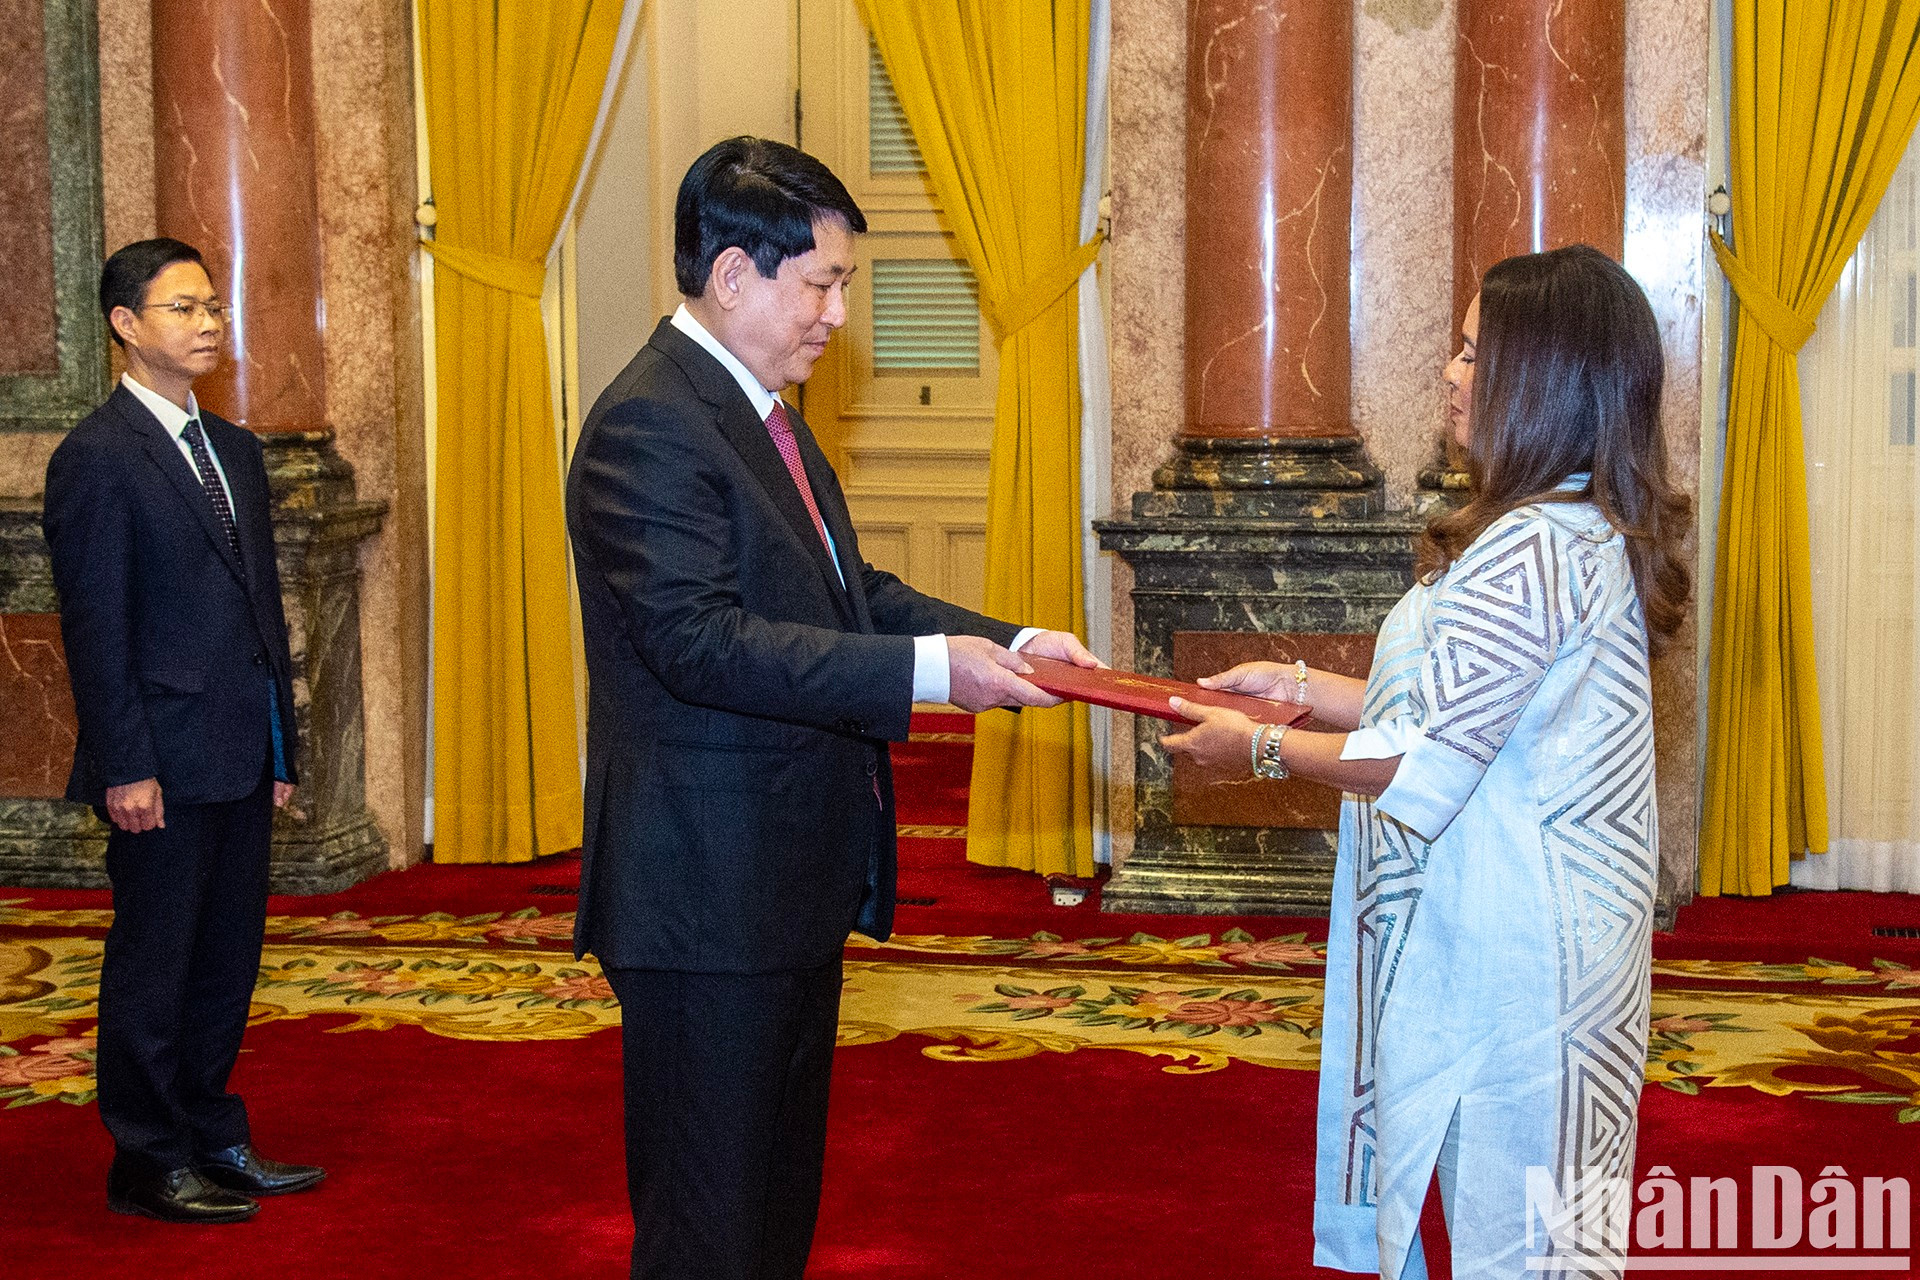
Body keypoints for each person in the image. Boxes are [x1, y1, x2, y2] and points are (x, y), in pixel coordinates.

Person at [564, 136, 1099, 1280]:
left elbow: (851, 592)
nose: (837, 315)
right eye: (823, 284)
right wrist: (932, 673)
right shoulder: (649, 423)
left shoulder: (762, 411)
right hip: (705, 893)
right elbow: (701, 643)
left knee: (772, 1212)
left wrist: (1010, 641)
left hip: (779, 882)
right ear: (733, 275)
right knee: (708, 1229)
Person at [1163, 244, 1690, 1279]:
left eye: (1475, 352)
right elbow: (1471, 719)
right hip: (1547, 943)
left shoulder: (1534, 544)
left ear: (1543, 380)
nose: (1451, 372)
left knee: (1520, 1244)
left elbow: (1423, 760)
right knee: (1543, 1234)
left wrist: (1259, 746)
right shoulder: (1572, 526)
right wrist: (1301, 687)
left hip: (1519, 962)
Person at [41, 238, 325, 1223]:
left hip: (240, 751)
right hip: (157, 761)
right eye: (182, 308)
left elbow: (260, 611)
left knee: (225, 962)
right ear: (125, 325)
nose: (207, 324)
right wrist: (125, 765)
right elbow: (96, 630)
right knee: (155, 966)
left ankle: (213, 1134)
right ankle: (148, 1157)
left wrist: (281, 747)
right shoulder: (96, 457)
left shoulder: (234, 450)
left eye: (213, 307)